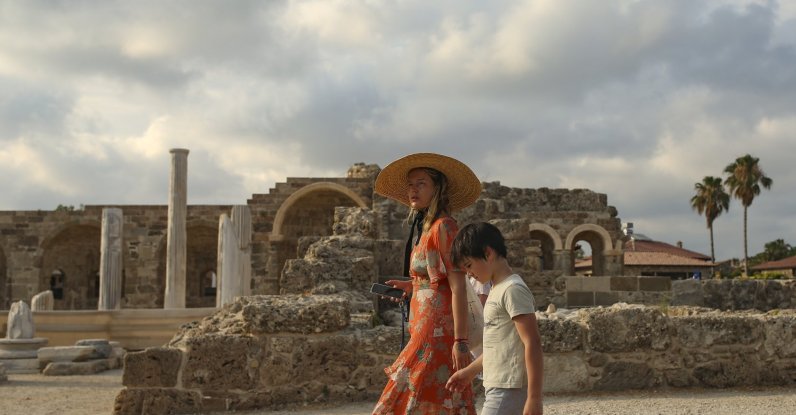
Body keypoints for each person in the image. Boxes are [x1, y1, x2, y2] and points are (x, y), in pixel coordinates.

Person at [372, 153, 481, 415]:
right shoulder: (426, 227)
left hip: (438, 331)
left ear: (437, 189)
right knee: (425, 395)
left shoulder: (445, 227)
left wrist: (460, 341)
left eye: (421, 183)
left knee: (413, 392)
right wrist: (412, 286)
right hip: (423, 324)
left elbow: (457, 285)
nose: (412, 190)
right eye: (410, 184)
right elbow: (434, 278)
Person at [446, 222, 544, 415]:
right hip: (499, 384)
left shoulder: (512, 289)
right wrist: (469, 372)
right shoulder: (496, 290)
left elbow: (532, 342)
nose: (469, 274)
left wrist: (534, 398)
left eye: (469, 265)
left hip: (509, 386)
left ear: (488, 253)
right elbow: (497, 347)